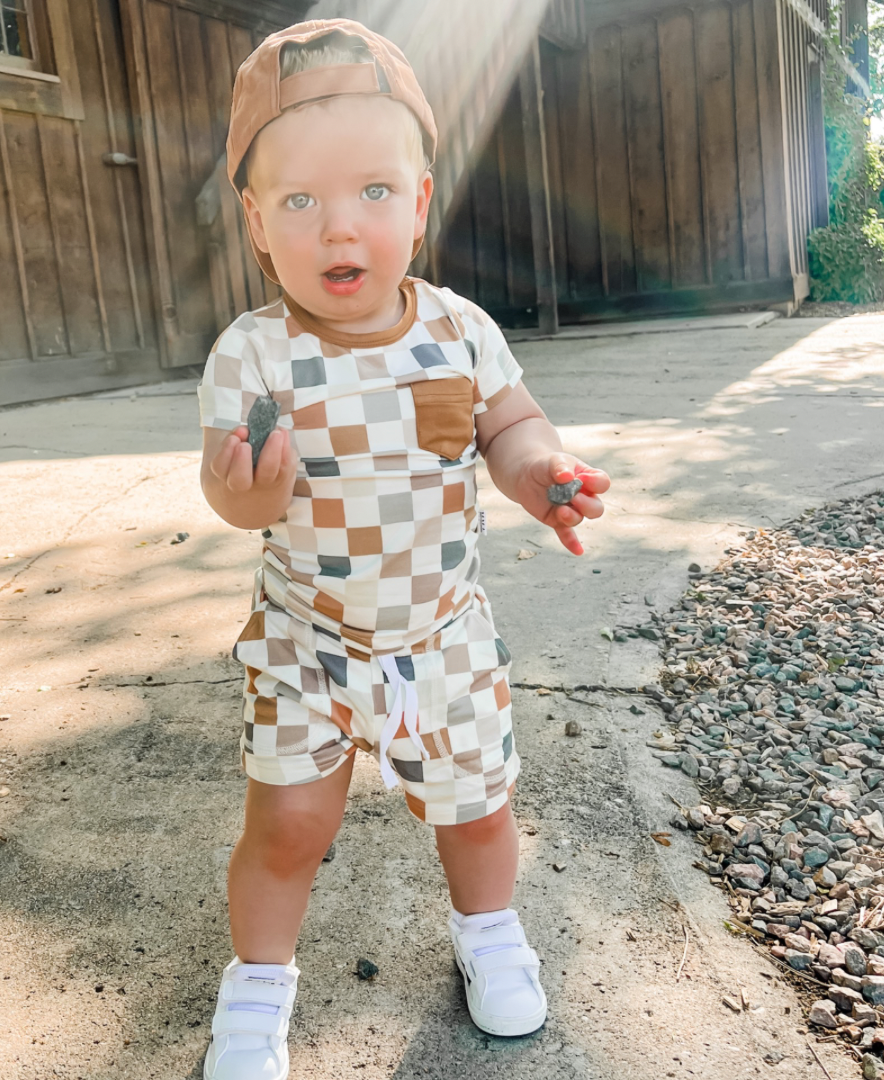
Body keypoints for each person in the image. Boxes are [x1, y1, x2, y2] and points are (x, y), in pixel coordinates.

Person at [197, 19, 610, 1079]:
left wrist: (542, 475)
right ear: (257, 223)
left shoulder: (462, 331)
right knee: (287, 822)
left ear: (419, 205)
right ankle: (256, 986)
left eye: (375, 192)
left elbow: (512, 428)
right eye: (300, 201)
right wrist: (245, 494)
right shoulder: (253, 352)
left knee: (477, 811)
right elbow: (229, 493)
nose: (341, 227)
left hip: (441, 635)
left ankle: (488, 932)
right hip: (306, 640)